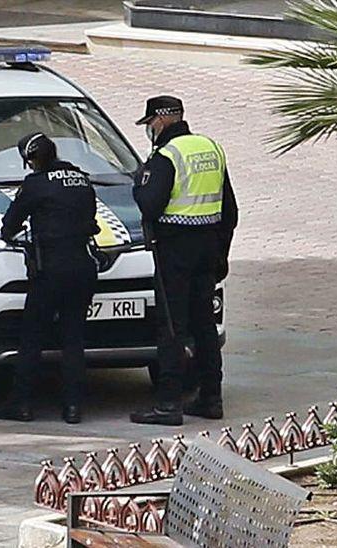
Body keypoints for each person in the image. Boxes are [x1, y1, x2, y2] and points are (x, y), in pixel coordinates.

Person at [129, 95, 238, 426]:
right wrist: (222, 253)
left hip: (175, 249)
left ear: (160, 121)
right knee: (204, 324)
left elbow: (149, 205)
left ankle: (168, 404)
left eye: (149, 123)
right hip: (209, 245)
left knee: (173, 326)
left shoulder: (166, 156)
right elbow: (230, 210)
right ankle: (210, 398)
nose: (149, 129)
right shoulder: (211, 148)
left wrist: (139, 181)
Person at [0, 133, 99, 424]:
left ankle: (22, 403)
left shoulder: (36, 184)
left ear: (31, 160)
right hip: (83, 266)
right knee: (73, 338)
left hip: (51, 268)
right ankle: (73, 407)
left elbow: (10, 225)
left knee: (32, 336)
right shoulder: (81, 179)